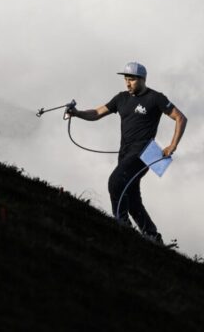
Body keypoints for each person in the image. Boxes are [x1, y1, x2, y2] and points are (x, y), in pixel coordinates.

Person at [65, 61, 187, 243]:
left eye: (131, 80)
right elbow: (97, 112)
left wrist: (172, 145)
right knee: (132, 198)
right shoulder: (121, 98)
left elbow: (180, 118)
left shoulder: (156, 98)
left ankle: (121, 226)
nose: (128, 83)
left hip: (143, 153)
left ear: (142, 79)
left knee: (115, 182)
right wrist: (76, 113)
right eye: (125, 80)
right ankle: (153, 236)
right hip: (124, 153)